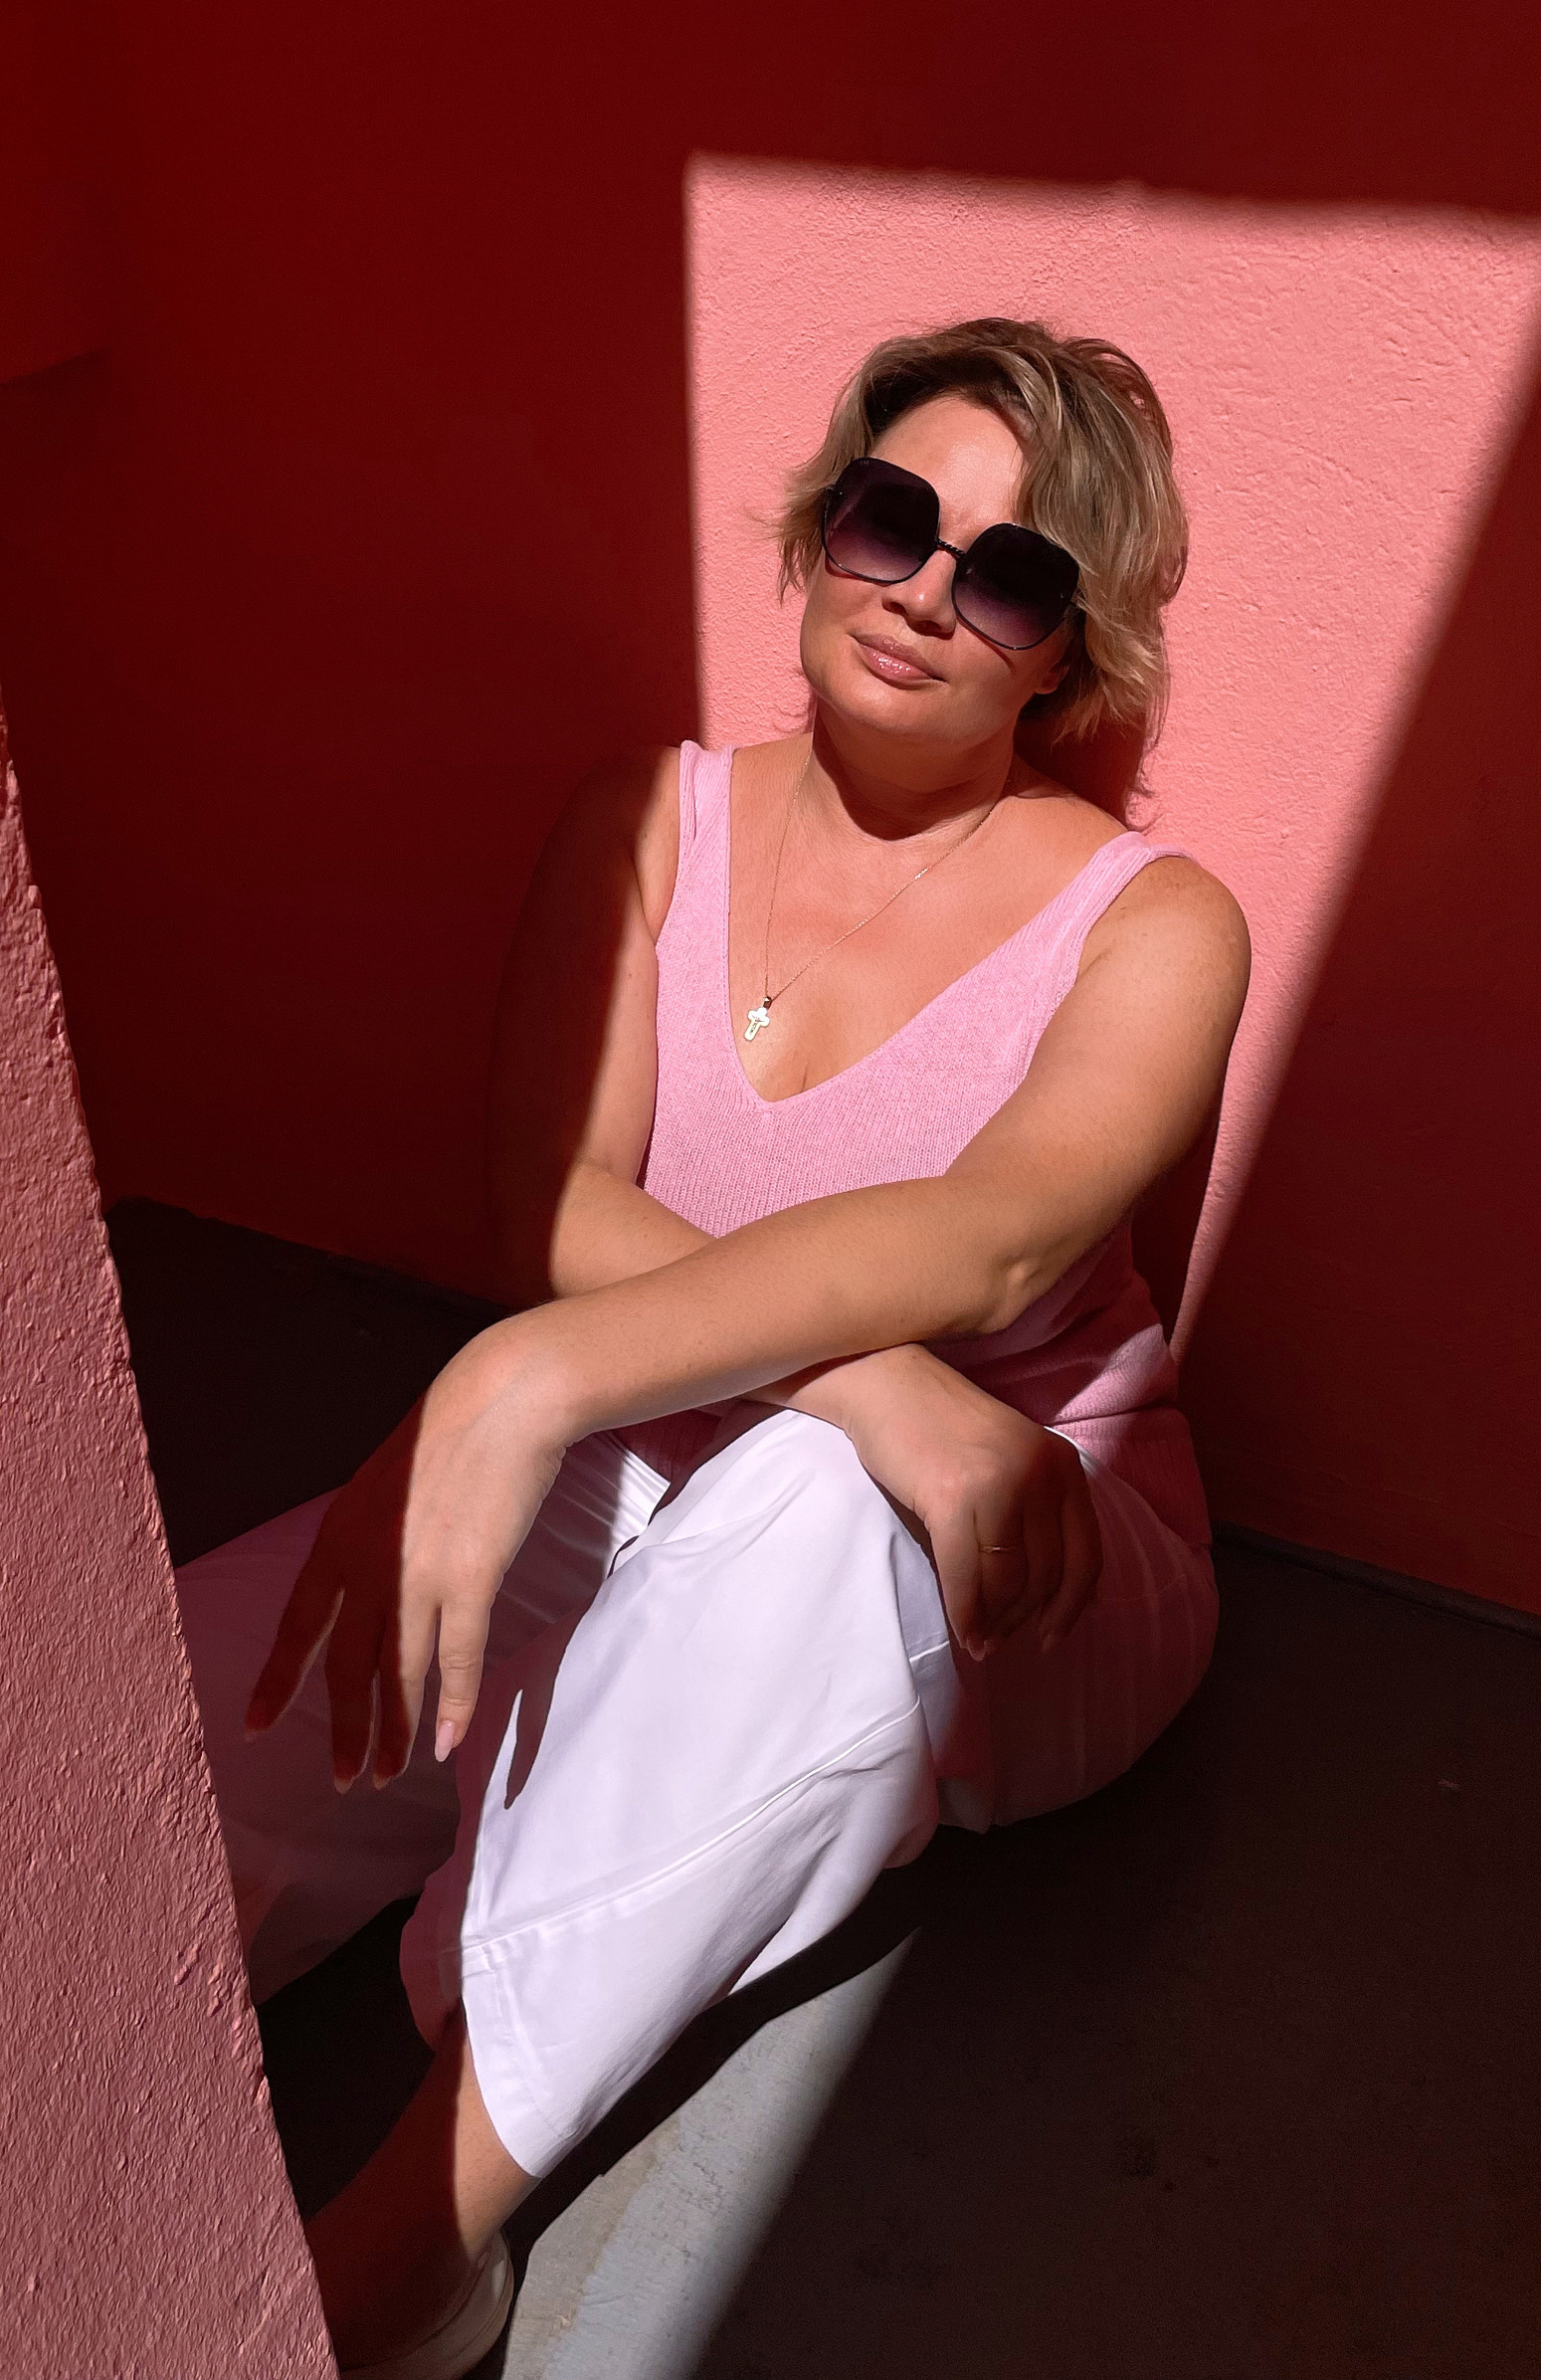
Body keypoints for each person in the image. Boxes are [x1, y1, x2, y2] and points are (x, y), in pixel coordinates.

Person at [177, 315, 1250, 2379]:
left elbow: (992, 1237)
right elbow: (554, 1205)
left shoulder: (1159, 921)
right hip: (680, 1444)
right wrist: (855, 1386)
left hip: (1009, 1549)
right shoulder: (647, 822)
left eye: (1012, 574)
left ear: (1067, 652)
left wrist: (532, 1374)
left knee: (809, 1505)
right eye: (894, 518)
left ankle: (417, 2243)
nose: (926, 591)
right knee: (198, 1721)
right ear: (825, 526)